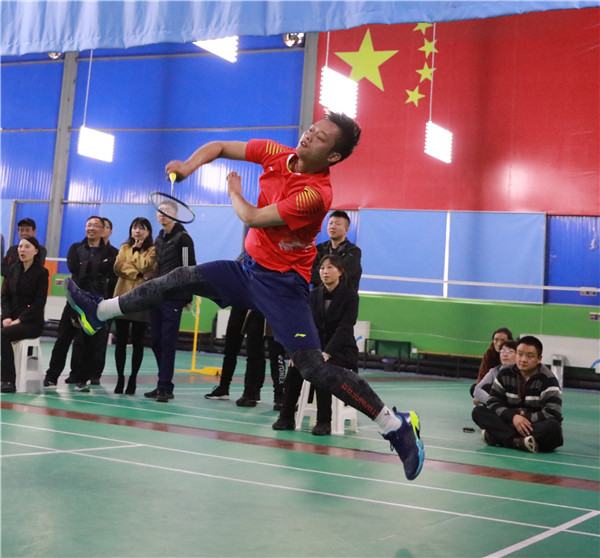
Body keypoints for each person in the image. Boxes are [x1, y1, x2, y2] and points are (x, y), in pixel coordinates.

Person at [65, 112, 425, 480]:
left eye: (320, 138)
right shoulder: (276, 152)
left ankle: (395, 426)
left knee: (312, 368)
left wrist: (234, 190)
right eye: (312, 129)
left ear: (332, 156)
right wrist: (188, 166)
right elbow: (220, 146)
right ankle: (100, 312)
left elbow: (251, 216)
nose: (308, 135)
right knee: (180, 277)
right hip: (247, 269)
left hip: (283, 286)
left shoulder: (315, 195)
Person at [273, 255, 359, 435]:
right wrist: (297, 351)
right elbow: (304, 325)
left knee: (321, 368)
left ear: (340, 272)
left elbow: (344, 329)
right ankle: (286, 416)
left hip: (341, 351)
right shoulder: (312, 295)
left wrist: (327, 352)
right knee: (295, 367)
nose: (325, 272)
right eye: (322, 268)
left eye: (330, 268)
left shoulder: (350, 296)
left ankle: (324, 421)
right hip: (315, 348)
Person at [44, 216, 116, 391]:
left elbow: (108, 272)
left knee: (90, 343)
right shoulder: (75, 248)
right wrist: (95, 268)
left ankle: (83, 379)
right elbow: (74, 268)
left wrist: (91, 268)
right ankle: (51, 376)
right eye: (89, 225)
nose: (91, 228)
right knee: (62, 340)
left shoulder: (111, 253)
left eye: (96, 225)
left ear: (103, 230)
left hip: (97, 303)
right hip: (74, 300)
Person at [472, 336, 563, 453]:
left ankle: (499, 437)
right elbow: (493, 402)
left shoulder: (548, 379)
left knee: (553, 427)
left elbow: (553, 412)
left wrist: (523, 420)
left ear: (539, 359)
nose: (523, 359)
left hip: (533, 425)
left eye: (530, 356)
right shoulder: (504, 373)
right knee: (478, 412)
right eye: (520, 354)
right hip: (510, 420)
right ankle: (518, 442)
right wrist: (513, 417)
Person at [144, 200, 196, 402]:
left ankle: (165, 386)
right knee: (156, 341)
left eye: (167, 211)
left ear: (175, 214)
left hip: (173, 297)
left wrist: (187, 295)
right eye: (160, 211)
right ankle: (162, 382)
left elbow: (188, 267)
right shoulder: (159, 238)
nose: (162, 214)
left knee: (167, 342)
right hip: (156, 296)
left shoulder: (183, 238)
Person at [112, 217, 156, 394]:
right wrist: (137, 275)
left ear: (148, 232)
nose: (137, 231)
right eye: (135, 228)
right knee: (120, 342)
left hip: (142, 300)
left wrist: (136, 253)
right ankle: (120, 378)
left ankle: (133, 379)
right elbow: (118, 267)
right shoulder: (124, 247)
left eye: (142, 228)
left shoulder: (153, 250)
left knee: (138, 342)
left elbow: (147, 266)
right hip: (122, 297)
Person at [1, 237, 49, 392]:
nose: (22, 249)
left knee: (3, 335)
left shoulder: (42, 273)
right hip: (11, 318)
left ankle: (8, 381)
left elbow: (39, 303)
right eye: (20, 246)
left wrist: (20, 320)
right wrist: (6, 317)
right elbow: (5, 297)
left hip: (31, 323)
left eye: (27, 247)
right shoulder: (12, 270)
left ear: (35, 251)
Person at [311, 210, 362, 291]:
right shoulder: (319, 249)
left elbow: (345, 275)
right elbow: (312, 274)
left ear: (347, 229)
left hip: (343, 296)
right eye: (330, 223)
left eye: (337, 224)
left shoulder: (353, 251)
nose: (332, 226)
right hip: (320, 295)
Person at [470, 327, 513, 397]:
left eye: (503, 340)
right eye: (496, 339)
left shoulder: (516, 353)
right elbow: (482, 375)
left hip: (511, 387)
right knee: (475, 388)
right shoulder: (489, 355)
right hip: (494, 385)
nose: (499, 343)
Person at [472, 340, 517, 405]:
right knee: (485, 388)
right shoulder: (494, 371)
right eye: (503, 351)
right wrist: (493, 403)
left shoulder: (522, 372)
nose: (505, 355)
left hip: (513, 406)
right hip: (497, 404)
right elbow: (477, 389)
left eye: (510, 352)